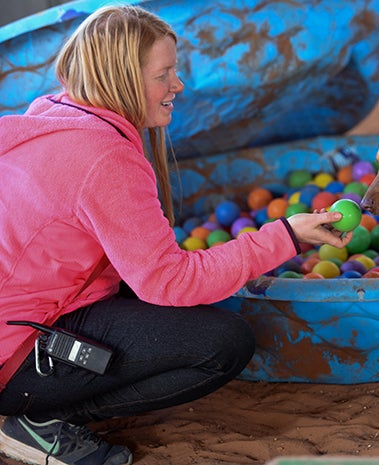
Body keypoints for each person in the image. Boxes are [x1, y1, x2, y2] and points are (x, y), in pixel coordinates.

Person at [0, 5, 352, 465]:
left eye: (176, 71)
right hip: (15, 355)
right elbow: (168, 282)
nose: (178, 86)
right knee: (221, 343)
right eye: (164, 74)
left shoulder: (54, 114)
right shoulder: (103, 158)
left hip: (31, 317)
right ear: (122, 78)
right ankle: (34, 420)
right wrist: (284, 235)